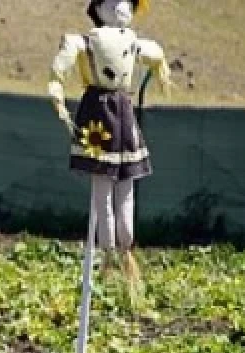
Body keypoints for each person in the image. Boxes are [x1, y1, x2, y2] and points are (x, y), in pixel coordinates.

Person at [47, 0, 171, 303]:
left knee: (124, 186)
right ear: (99, 9)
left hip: (122, 115)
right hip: (99, 116)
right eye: (115, 2)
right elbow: (61, 66)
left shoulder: (132, 43)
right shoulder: (86, 42)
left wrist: (161, 68)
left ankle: (124, 248)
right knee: (103, 189)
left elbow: (153, 53)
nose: (123, 7)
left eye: (128, 3)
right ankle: (110, 253)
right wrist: (57, 92)